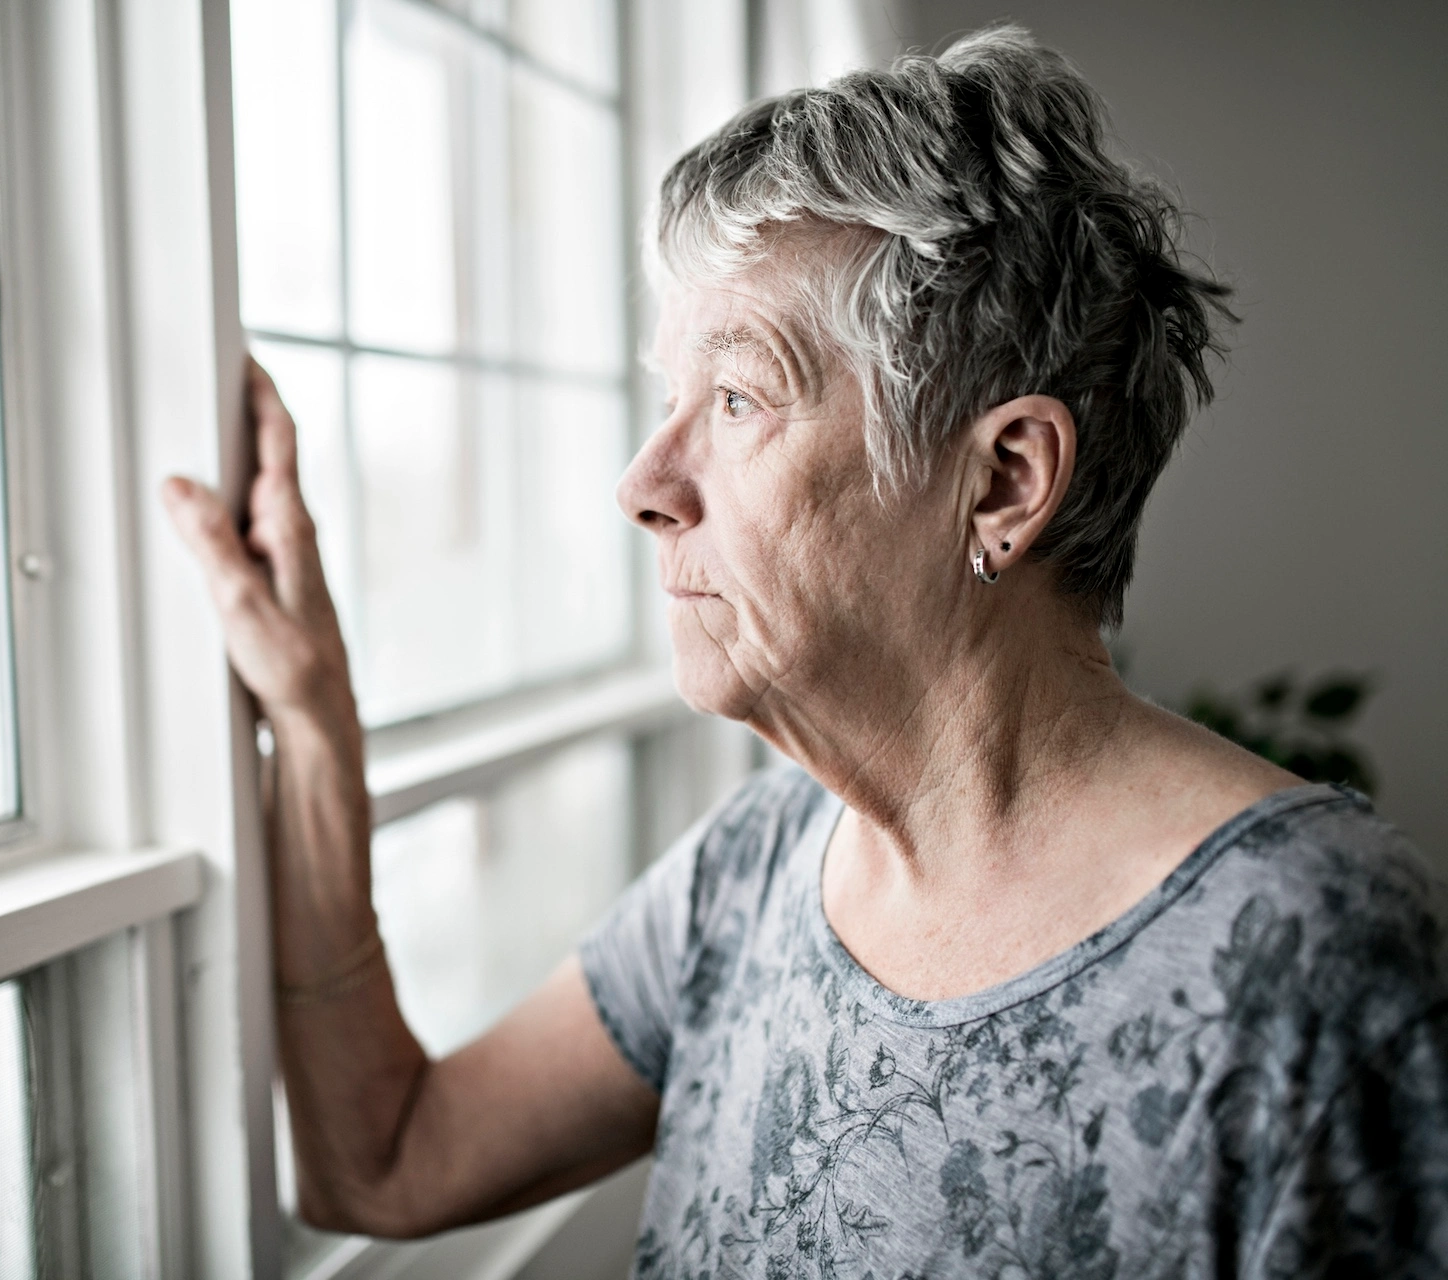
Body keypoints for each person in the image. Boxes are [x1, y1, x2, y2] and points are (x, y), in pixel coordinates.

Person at [162, 26, 1448, 1277]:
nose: (644, 482)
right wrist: (317, 728)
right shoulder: (761, 860)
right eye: (666, 399)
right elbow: (385, 1161)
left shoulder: (1307, 956)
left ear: (1003, 480)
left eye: (737, 397)